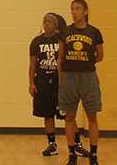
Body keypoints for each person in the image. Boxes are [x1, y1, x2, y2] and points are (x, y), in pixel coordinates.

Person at [29, 12, 85, 156]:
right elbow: (32, 64)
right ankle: (52, 145)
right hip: (42, 82)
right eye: (45, 21)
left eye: (50, 22)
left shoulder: (61, 39)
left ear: (56, 25)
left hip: (59, 83)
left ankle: (77, 144)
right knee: (47, 114)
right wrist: (31, 83)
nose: (47, 24)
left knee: (68, 115)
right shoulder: (36, 42)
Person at [58, 0, 104, 165]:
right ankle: (72, 155)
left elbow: (99, 56)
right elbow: (60, 58)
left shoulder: (94, 32)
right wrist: (61, 80)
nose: (74, 12)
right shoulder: (65, 31)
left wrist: (85, 62)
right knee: (69, 115)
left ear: (85, 11)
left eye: (77, 9)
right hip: (69, 76)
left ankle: (93, 154)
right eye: (72, 9)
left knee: (92, 115)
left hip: (88, 76)